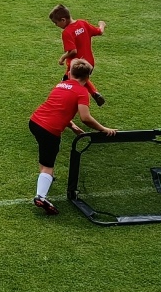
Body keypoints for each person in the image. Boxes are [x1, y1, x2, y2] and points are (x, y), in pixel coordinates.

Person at [28, 57, 116, 215]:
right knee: (48, 164)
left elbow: (57, 108)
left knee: (46, 154)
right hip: (49, 129)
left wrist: (72, 126)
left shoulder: (60, 85)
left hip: (35, 122)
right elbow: (85, 118)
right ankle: (40, 196)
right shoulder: (82, 92)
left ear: (69, 73)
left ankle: (47, 179)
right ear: (88, 77)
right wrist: (103, 129)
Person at [48, 4, 106, 105]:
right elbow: (99, 31)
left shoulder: (67, 32)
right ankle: (95, 94)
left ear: (63, 20)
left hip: (75, 65)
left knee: (65, 86)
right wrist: (102, 24)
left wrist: (62, 58)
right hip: (89, 63)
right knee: (82, 78)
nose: (56, 25)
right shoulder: (82, 23)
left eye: (56, 23)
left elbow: (73, 51)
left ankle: (64, 104)